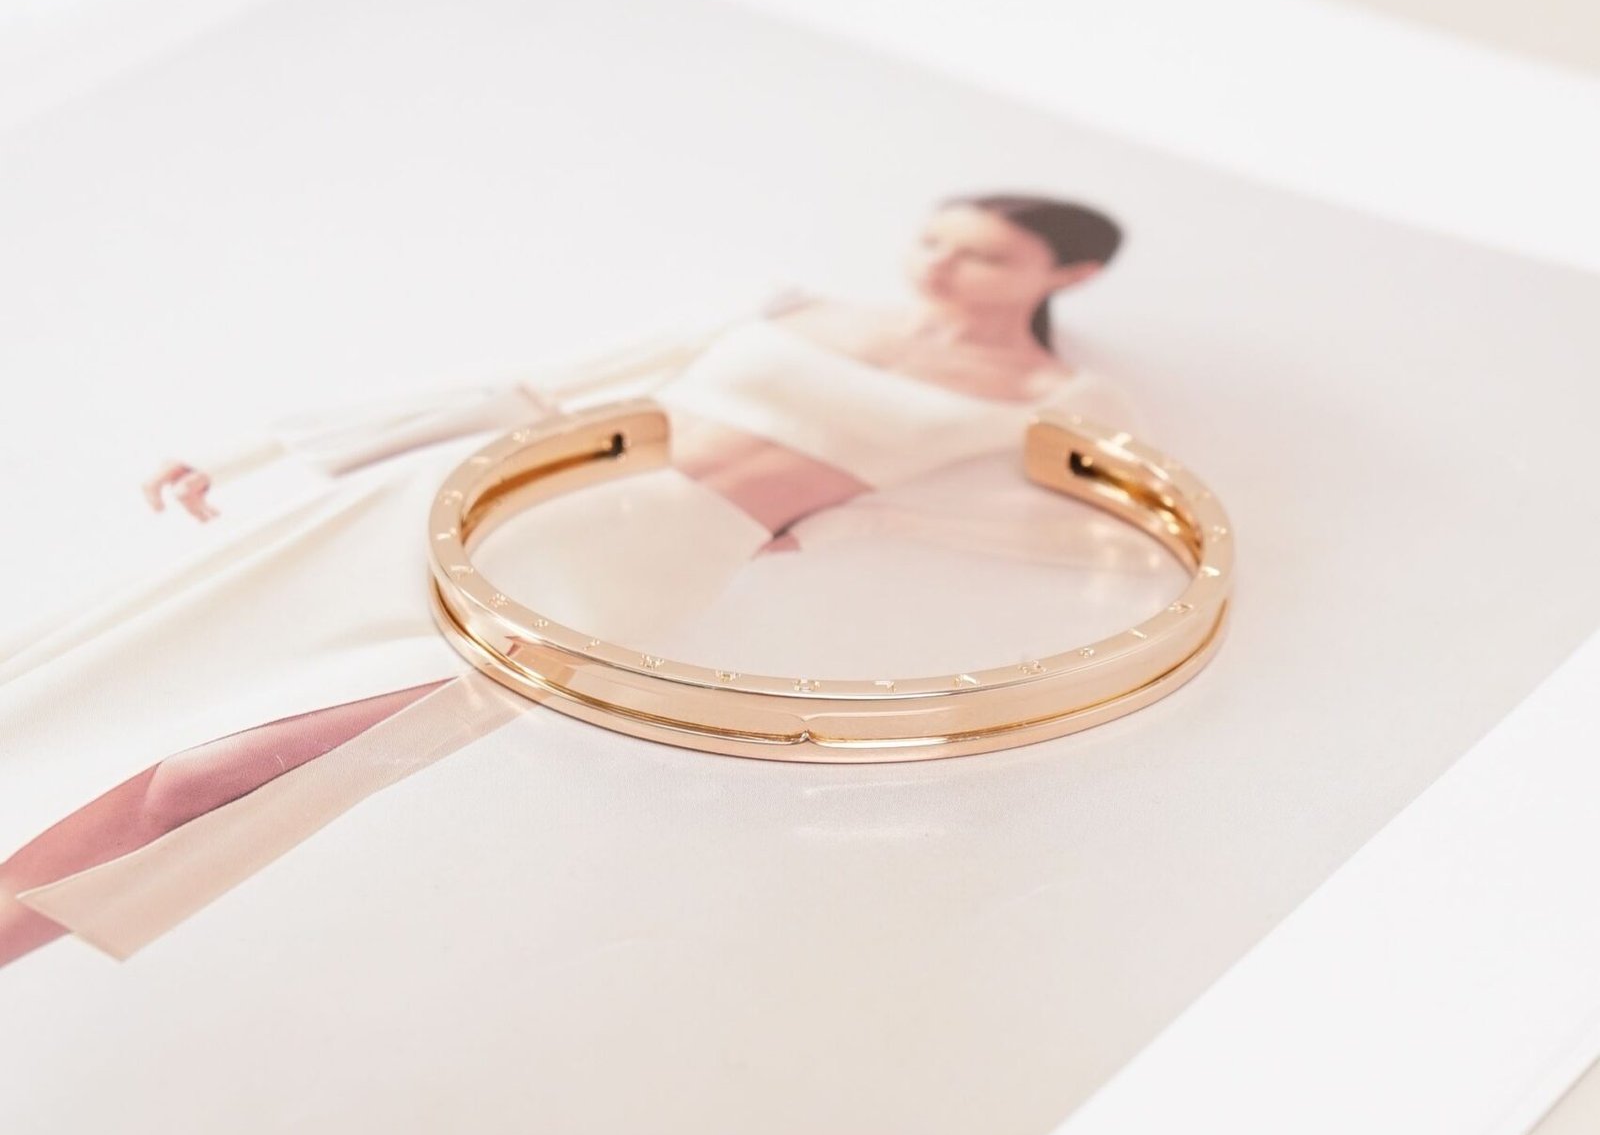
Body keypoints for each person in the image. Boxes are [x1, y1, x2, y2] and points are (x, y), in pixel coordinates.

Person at [0, 195, 1136, 969]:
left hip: (625, 582)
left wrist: (834, 524)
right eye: (933, 239)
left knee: (208, 781)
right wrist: (256, 455)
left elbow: (1069, 535)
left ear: (1068, 275)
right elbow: (540, 389)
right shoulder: (796, 307)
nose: (939, 267)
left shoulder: (1052, 397)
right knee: (123, 700)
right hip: (482, 503)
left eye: (984, 256)